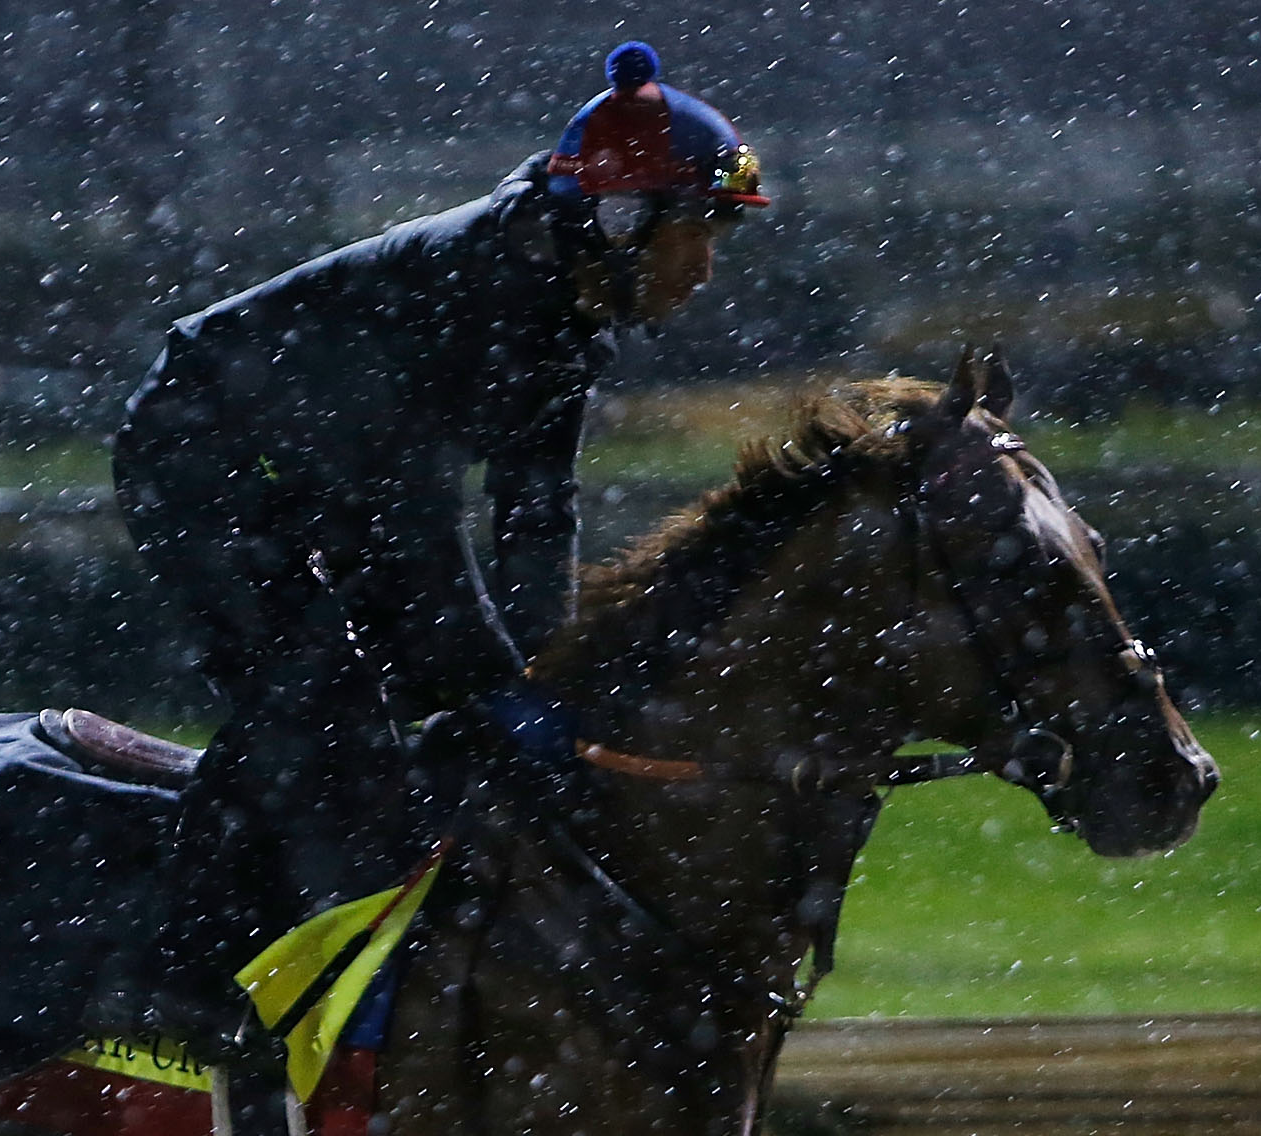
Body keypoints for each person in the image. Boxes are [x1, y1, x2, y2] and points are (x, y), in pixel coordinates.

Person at [105, 40, 769, 1063]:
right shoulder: (473, 285)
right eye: (701, 232)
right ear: (622, 220)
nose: (708, 267)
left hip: (327, 473)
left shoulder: (566, 308)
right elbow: (412, 523)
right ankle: (186, 968)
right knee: (323, 695)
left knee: (448, 699)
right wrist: (495, 685)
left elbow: (536, 513)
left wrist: (548, 675)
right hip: (203, 454)